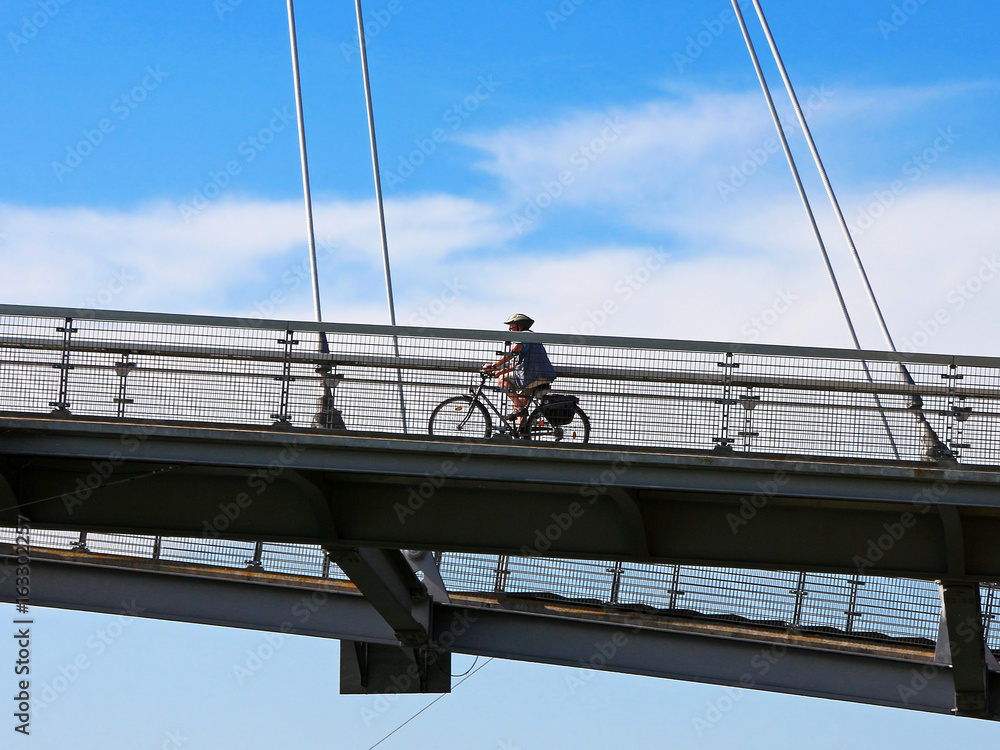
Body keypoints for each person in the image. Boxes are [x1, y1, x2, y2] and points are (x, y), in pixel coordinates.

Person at [483, 313, 557, 420]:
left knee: (502, 380)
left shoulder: (524, 336)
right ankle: (523, 433)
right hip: (539, 376)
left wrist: (494, 366)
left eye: (511, 327)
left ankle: (519, 409)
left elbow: (513, 352)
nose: (509, 330)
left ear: (520, 327)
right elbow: (520, 365)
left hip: (531, 376)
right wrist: (501, 371)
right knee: (520, 402)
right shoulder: (533, 339)